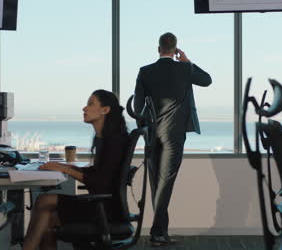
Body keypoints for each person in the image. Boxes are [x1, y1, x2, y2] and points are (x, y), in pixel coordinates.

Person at [23, 90, 129, 250]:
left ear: (105, 110)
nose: (84, 108)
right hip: (102, 204)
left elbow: (100, 184)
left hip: (107, 209)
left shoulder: (114, 141)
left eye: (91, 104)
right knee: (47, 217)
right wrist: (64, 166)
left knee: (44, 200)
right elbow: (98, 172)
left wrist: (65, 170)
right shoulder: (105, 138)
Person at [134, 32, 212, 246]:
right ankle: (158, 233)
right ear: (176, 49)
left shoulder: (145, 71)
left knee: (156, 182)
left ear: (158, 49)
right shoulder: (185, 68)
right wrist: (188, 61)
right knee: (166, 181)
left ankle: (160, 232)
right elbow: (207, 80)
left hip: (151, 134)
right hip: (174, 133)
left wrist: (145, 129)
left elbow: (136, 107)